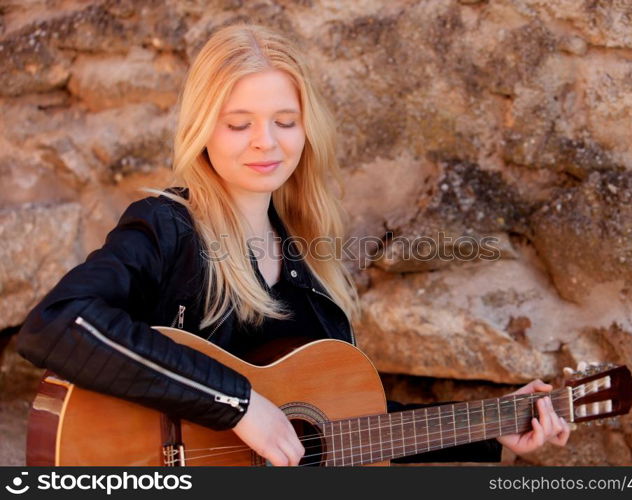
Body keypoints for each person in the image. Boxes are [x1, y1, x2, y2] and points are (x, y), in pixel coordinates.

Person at [17, 23, 569, 466]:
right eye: (239, 124)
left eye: (285, 120)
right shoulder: (168, 228)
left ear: (307, 131)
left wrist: (493, 428)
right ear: (203, 131)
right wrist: (236, 405)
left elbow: (346, 428)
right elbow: (58, 322)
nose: (267, 142)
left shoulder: (310, 260)